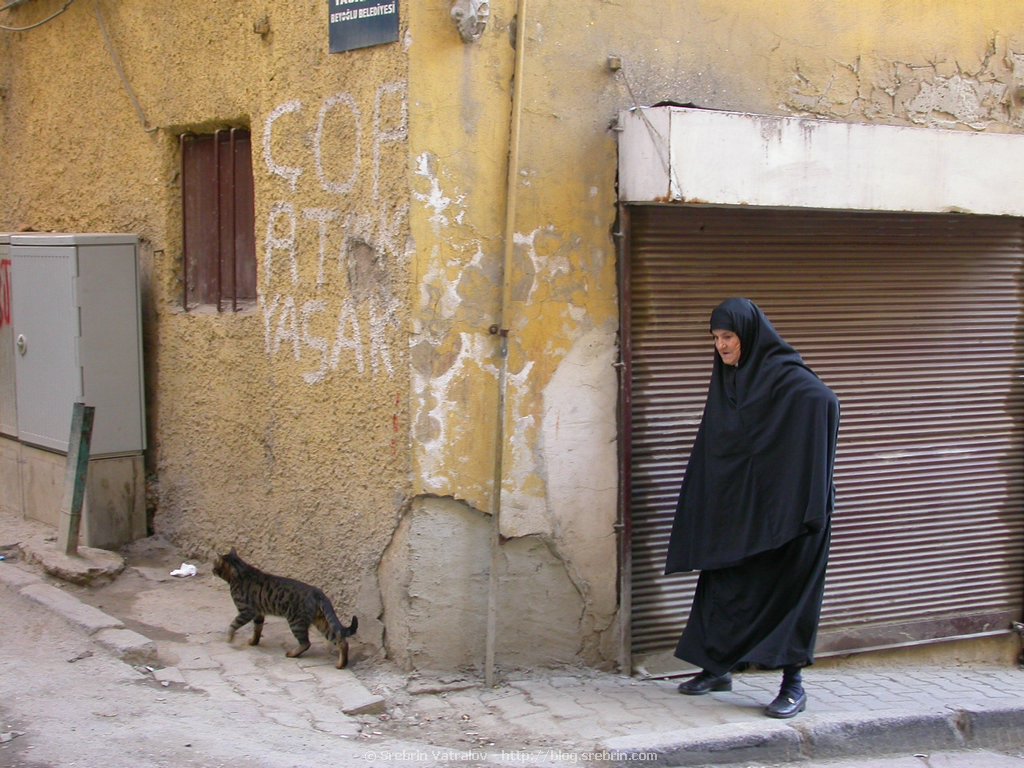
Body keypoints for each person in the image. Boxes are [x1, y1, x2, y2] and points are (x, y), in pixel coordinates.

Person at [664, 297, 840, 719]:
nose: (722, 346)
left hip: (791, 513)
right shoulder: (731, 381)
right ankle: (717, 668)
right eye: (716, 338)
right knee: (724, 584)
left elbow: (825, 402)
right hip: (743, 509)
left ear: (750, 336)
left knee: (788, 591)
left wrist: (800, 481)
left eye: (729, 337)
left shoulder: (786, 377)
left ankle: (792, 684)